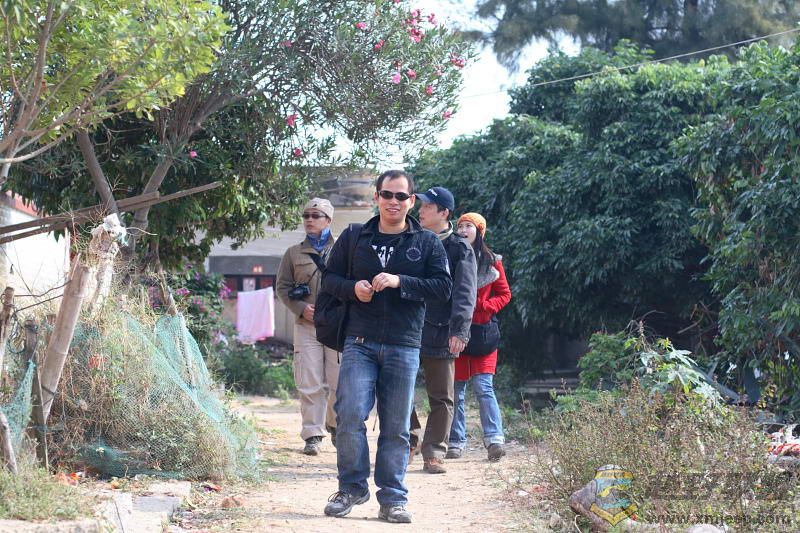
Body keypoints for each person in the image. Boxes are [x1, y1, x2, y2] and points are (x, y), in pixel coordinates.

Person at [321, 170, 452, 524]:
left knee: (396, 426)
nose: (393, 201)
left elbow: (443, 287)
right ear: (376, 197)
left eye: (401, 196)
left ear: (412, 201)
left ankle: (393, 498)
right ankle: (351, 488)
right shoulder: (354, 236)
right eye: (387, 194)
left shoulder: (427, 242)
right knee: (349, 414)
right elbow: (329, 279)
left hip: (404, 344)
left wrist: (399, 281)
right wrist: (353, 289)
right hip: (359, 341)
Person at [408, 186, 477, 474]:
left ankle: (435, 452)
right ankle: (407, 442)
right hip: (407, 328)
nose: (421, 210)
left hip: (441, 331)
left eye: (427, 206)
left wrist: (460, 331)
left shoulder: (459, 248)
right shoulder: (412, 239)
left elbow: (465, 292)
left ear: (444, 213)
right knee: (396, 391)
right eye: (421, 205)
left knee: (442, 396)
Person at [447, 212, 512, 462]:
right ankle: (455, 441)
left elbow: (505, 294)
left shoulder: (493, 262)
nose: (463, 230)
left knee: (484, 387)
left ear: (480, 232)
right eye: (460, 226)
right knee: (456, 390)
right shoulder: (449, 256)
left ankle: (494, 439)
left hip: (484, 333)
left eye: (469, 226)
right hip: (457, 332)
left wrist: (484, 306)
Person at [276, 198, 338, 456]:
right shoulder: (293, 253)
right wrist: (301, 308)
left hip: (336, 325)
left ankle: (335, 424)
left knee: (339, 382)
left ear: (328, 220)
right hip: (306, 325)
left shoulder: (344, 248)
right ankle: (313, 434)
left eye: (316, 215)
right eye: (306, 215)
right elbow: (282, 287)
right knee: (309, 381)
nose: (309, 220)